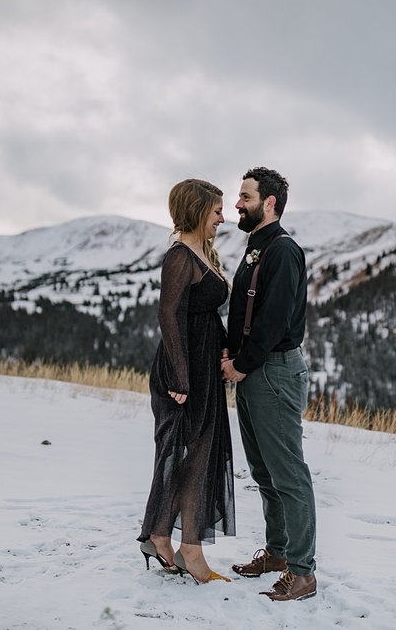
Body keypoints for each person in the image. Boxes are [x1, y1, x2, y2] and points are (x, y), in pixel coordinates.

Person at [221, 167, 317, 601]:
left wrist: (241, 363)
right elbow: (244, 312)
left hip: (273, 371)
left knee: (289, 474)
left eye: (245, 196)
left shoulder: (282, 251)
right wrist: (230, 353)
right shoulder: (255, 247)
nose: (237, 203)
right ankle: (277, 553)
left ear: (269, 203)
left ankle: (302, 572)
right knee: (264, 472)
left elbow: (274, 319)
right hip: (255, 370)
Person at [137, 178, 235, 585]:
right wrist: (180, 375)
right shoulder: (180, 256)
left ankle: (163, 536)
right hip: (185, 372)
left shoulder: (201, 253)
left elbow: (204, 317)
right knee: (187, 454)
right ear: (197, 210)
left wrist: (226, 349)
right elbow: (169, 315)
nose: (222, 218)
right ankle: (187, 550)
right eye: (216, 211)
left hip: (202, 368)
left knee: (197, 455)